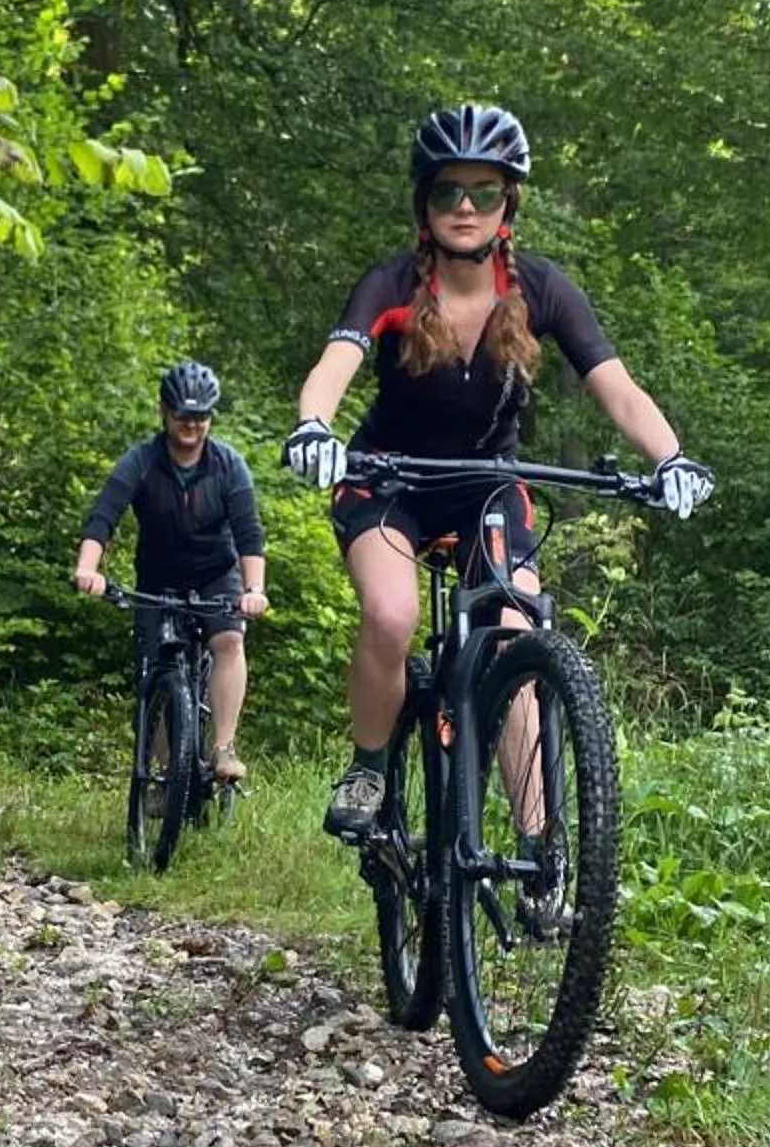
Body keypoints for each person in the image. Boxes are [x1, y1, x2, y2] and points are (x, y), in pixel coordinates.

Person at [283, 101, 713, 837]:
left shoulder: (540, 289)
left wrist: (670, 457)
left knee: (514, 633)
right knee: (392, 616)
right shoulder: (392, 284)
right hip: (390, 481)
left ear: (507, 202)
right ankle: (369, 768)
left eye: (483, 192)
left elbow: (616, 385)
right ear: (425, 202)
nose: (465, 207)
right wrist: (313, 427)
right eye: (448, 191)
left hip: (487, 483)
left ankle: (541, 846)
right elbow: (335, 364)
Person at [75, 361, 268, 782]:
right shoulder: (140, 462)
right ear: (164, 412)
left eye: (200, 417)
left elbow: (249, 535)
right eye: (182, 415)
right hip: (159, 580)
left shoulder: (228, 465)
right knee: (160, 670)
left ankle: (223, 748)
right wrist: (88, 569)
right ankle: (167, 776)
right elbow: (103, 518)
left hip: (217, 574)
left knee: (230, 640)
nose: (191, 425)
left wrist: (255, 588)